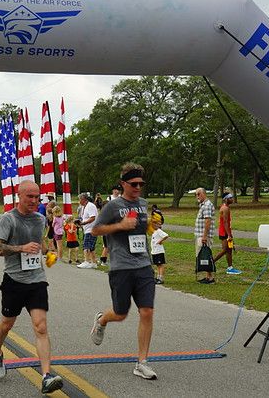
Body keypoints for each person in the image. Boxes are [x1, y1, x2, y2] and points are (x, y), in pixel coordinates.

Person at [0, 181, 63, 394]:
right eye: (29, 196)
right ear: (18, 196)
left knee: (41, 326)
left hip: (37, 280)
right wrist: (21, 248)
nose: (34, 201)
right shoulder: (8, 219)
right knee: (6, 324)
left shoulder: (40, 219)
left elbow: (40, 242)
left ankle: (47, 375)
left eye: (37, 197)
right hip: (13, 281)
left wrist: (48, 251)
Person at [90, 162, 158, 380]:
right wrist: (119, 226)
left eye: (141, 184)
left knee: (147, 311)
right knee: (120, 314)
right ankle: (102, 320)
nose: (138, 187)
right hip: (121, 267)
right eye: (134, 184)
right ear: (123, 184)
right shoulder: (112, 206)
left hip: (143, 266)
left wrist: (151, 226)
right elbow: (95, 229)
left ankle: (142, 362)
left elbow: (141, 229)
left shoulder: (143, 203)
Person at [213, 194, 242, 274]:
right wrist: (229, 235)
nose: (232, 199)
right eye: (230, 198)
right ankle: (211, 262)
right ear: (226, 199)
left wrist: (230, 233)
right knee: (225, 250)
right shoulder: (225, 208)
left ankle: (230, 268)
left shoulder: (226, 207)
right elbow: (225, 222)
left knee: (229, 249)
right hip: (224, 232)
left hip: (226, 231)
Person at [194, 188, 215, 284]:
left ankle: (210, 277)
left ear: (204, 194)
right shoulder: (203, 205)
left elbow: (208, 221)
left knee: (206, 255)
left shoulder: (207, 205)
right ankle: (208, 276)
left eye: (199, 194)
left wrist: (204, 236)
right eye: (196, 194)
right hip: (201, 235)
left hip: (204, 236)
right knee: (203, 256)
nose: (197, 196)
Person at [76, 193, 98, 268]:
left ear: (83, 199)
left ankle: (86, 261)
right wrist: (80, 223)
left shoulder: (90, 206)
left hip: (91, 229)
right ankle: (94, 263)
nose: (79, 201)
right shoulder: (84, 207)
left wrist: (83, 223)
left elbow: (92, 218)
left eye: (79, 199)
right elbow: (85, 217)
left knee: (86, 245)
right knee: (91, 248)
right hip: (88, 229)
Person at [150, 213, 168, 284]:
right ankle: (158, 277)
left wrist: (160, 241)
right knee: (157, 265)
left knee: (160, 265)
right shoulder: (154, 231)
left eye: (156, 224)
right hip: (154, 251)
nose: (154, 225)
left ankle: (161, 278)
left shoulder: (159, 231)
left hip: (159, 251)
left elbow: (166, 236)